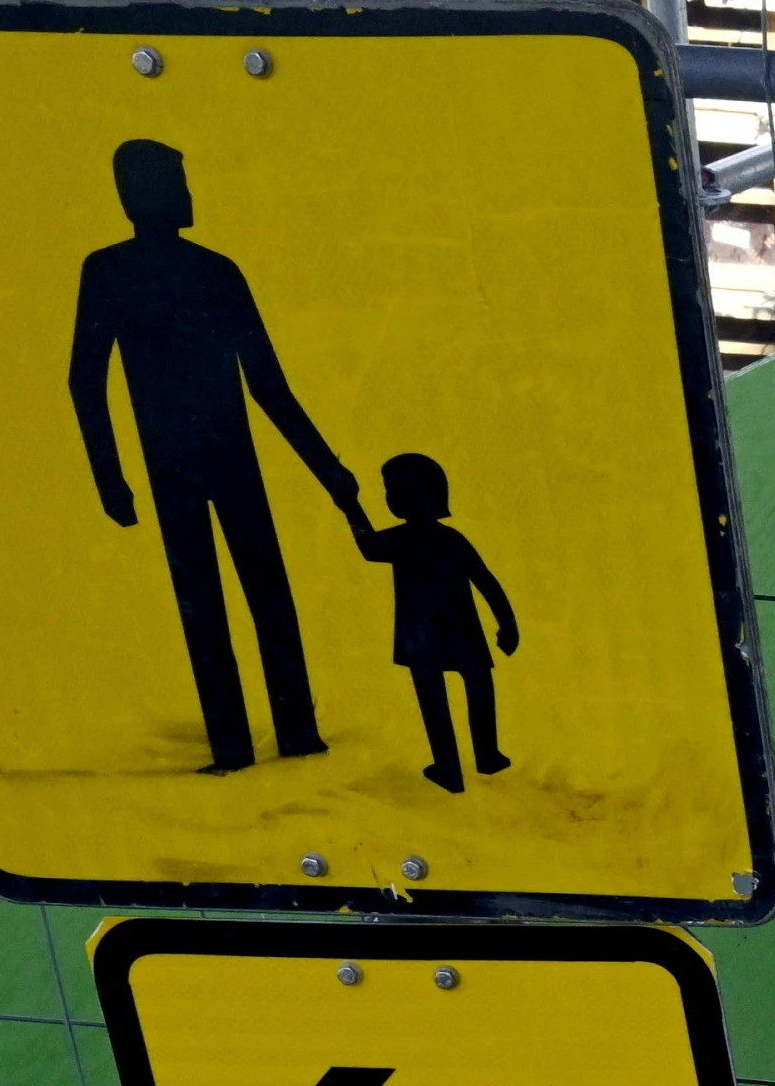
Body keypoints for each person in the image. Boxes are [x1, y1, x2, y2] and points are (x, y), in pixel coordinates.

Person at [66, 138, 358, 774]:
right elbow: (86, 379)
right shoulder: (112, 271)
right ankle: (242, 742)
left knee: (253, 592)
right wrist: (109, 478)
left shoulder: (215, 270)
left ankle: (292, 731)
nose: (189, 193)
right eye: (179, 180)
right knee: (208, 600)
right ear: (140, 193)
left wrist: (329, 470)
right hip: (179, 463)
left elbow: (267, 385)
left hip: (216, 456)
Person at [351, 454, 518, 794]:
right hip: (462, 631)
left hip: (422, 635)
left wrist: (350, 506)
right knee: (479, 688)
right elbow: (485, 580)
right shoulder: (451, 539)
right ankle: (486, 755)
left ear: (399, 500)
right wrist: (507, 623)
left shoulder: (402, 540)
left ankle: (448, 768)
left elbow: (368, 546)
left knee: (434, 700)